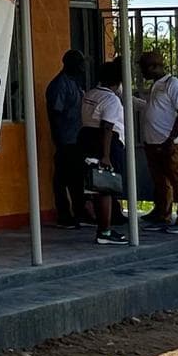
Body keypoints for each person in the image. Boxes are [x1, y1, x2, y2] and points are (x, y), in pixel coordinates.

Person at [136, 51, 178, 233]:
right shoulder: (155, 86)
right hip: (153, 141)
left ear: (154, 67)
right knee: (160, 180)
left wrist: (171, 138)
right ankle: (163, 214)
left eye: (144, 68)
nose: (142, 73)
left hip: (170, 142)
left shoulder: (173, 85)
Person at [82, 59, 130, 245]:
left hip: (87, 138)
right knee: (106, 188)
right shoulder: (111, 100)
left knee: (97, 187)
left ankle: (103, 228)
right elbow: (107, 127)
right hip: (105, 144)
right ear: (118, 81)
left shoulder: (90, 94)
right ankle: (105, 231)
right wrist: (106, 155)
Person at [45, 50, 89, 226]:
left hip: (77, 138)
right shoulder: (60, 84)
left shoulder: (74, 82)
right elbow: (55, 113)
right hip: (66, 138)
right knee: (62, 178)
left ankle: (79, 211)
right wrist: (58, 138)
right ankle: (64, 214)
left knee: (77, 177)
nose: (83, 66)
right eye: (80, 63)